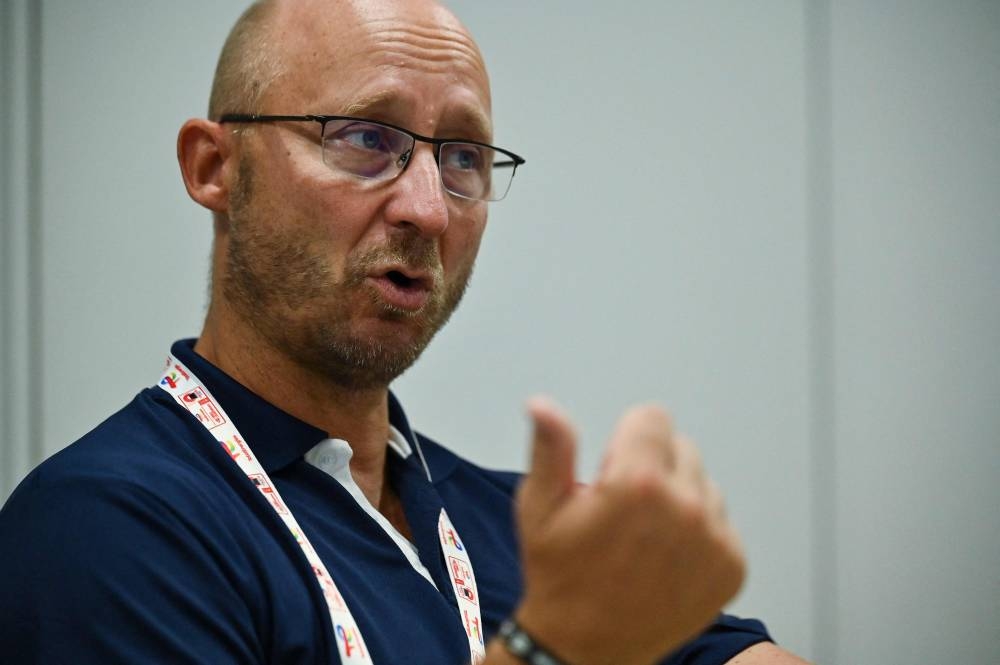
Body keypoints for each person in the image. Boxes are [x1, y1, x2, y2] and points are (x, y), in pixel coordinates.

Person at [0, 1, 809, 663]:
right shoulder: (103, 527)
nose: (427, 207)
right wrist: (549, 649)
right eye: (365, 139)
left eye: (462, 156)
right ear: (216, 167)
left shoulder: (518, 527)